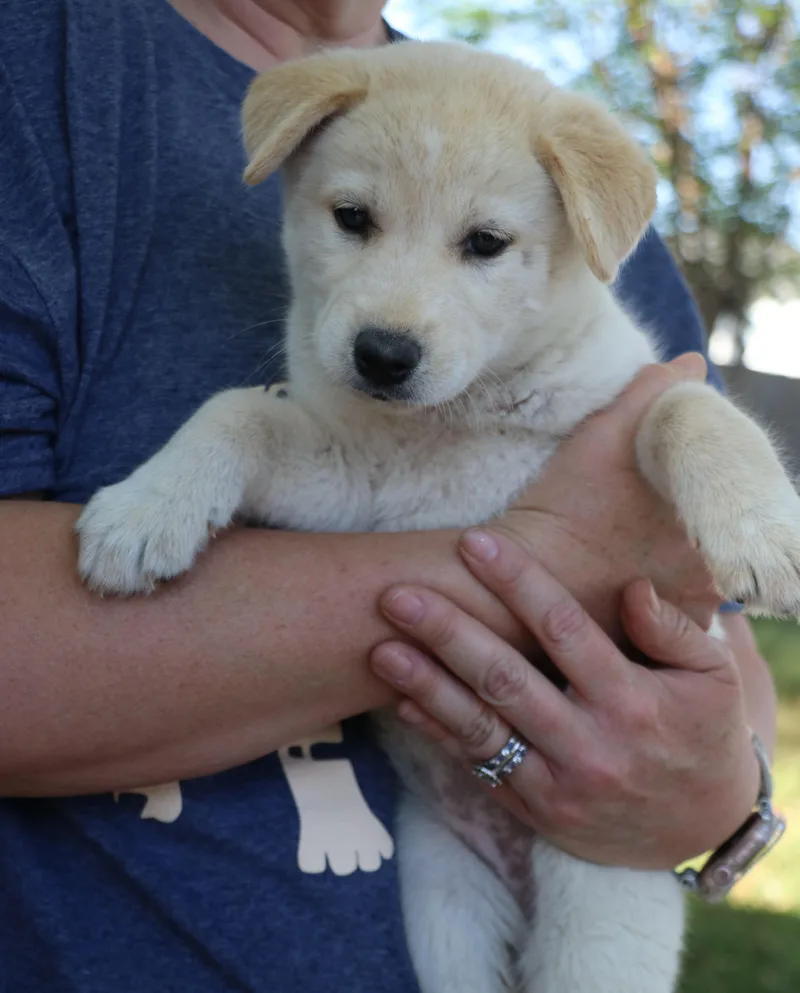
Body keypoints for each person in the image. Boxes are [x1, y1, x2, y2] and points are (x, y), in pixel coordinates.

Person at [0, 1, 776, 990]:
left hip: (591, 835)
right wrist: (224, 446)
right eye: (354, 220)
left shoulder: (577, 255)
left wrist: (724, 797)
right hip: (431, 822)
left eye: (483, 244)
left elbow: (672, 430)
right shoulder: (46, 58)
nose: (391, 322)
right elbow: (336, 475)